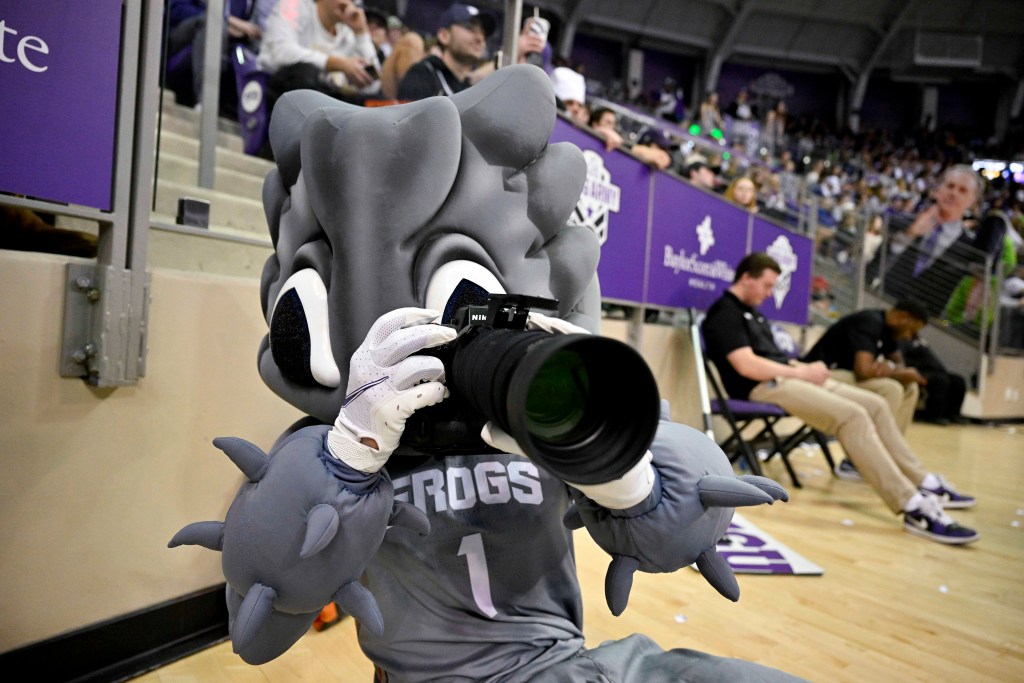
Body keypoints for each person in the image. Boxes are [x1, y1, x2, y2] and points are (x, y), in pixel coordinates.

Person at [171, 69, 805, 682]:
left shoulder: (544, 411)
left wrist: (625, 475)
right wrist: (349, 452)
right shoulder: (321, 450)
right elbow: (255, 636)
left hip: (569, 665)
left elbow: (679, 527)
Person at [702, 252, 979, 545]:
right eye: (767, 286)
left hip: (787, 376)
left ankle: (924, 481)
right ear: (746, 278)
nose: (770, 294)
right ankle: (912, 506)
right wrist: (801, 373)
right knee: (853, 416)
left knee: (878, 404)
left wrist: (804, 370)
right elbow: (747, 366)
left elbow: (773, 357)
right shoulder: (724, 314)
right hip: (762, 386)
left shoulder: (752, 312)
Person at [882, 165, 1005, 317]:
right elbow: (874, 261)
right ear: (938, 190)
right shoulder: (902, 223)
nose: (953, 193)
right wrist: (910, 233)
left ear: (972, 201)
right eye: (950, 186)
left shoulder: (970, 248)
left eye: (962, 190)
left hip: (925, 321)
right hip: (881, 303)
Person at [801, 300, 930, 435]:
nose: (909, 337)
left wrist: (891, 367)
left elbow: (899, 364)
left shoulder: (888, 331)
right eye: (912, 331)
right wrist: (895, 373)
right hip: (821, 373)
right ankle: (872, 448)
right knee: (891, 389)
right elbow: (863, 371)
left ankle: (892, 443)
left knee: (911, 387)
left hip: (846, 376)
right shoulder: (869, 322)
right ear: (902, 317)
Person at [258, 0, 381, 111]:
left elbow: (373, 86)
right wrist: (337, 63)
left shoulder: (347, 30)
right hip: (276, 91)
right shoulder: (293, 4)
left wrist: (361, 33)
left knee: (375, 104)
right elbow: (280, 53)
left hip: (328, 101)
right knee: (305, 74)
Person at [166, 0, 277, 114]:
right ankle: (206, 102)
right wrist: (225, 20)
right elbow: (177, 10)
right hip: (185, 32)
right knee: (211, 26)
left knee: (257, 52)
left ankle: (251, 117)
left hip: (228, 42)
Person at [397, 4, 496, 101]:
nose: (480, 38)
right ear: (444, 36)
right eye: (470, 28)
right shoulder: (422, 75)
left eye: (483, 33)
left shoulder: (472, 88)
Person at [898, 335, 968, 425]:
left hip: (935, 370)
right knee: (940, 380)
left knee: (958, 380)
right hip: (919, 371)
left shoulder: (919, 340)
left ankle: (952, 414)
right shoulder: (900, 341)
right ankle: (933, 416)